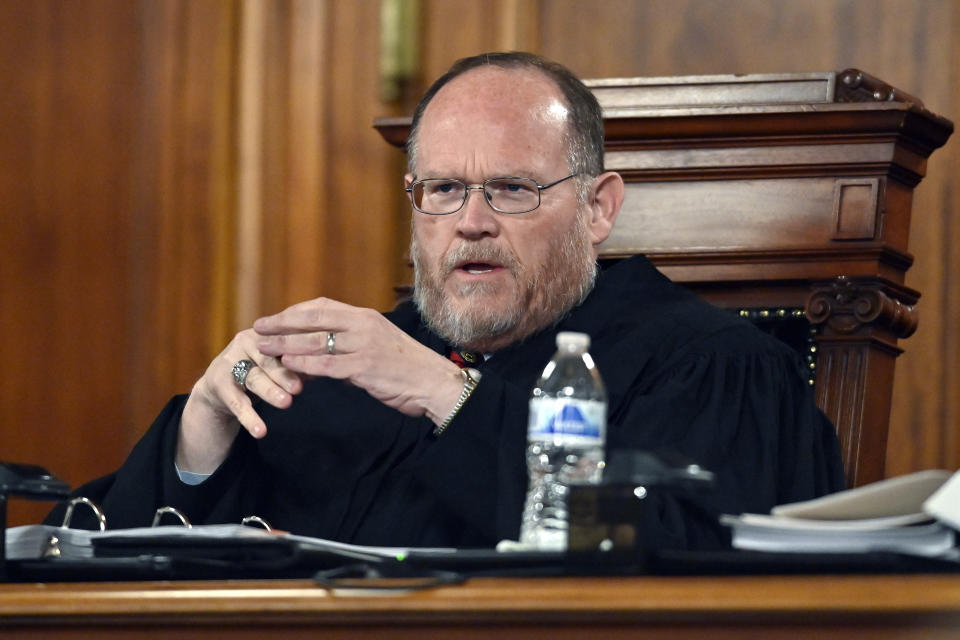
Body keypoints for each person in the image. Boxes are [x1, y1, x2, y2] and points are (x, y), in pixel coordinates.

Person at [53, 52, 844, 549]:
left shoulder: (711, 368)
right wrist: (201, 434)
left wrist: (446, 394)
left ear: (599, 207)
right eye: (442, 188)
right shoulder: (342, 369)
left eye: (511, 188)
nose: (470, 222)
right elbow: (122, 561)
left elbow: (685, 564)